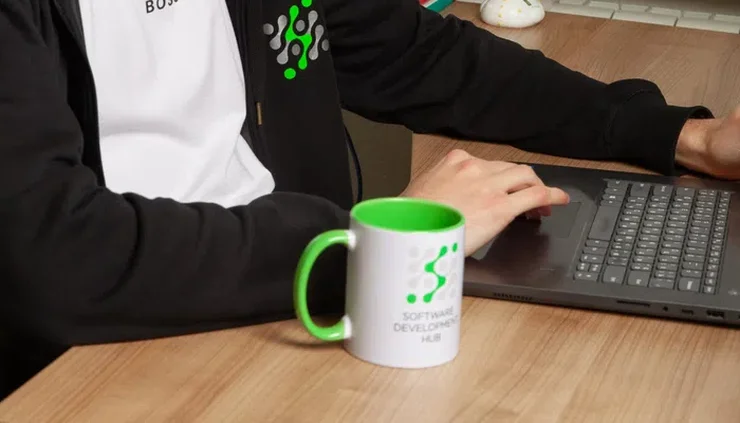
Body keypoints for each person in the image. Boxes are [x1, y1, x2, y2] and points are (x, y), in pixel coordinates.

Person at [0, 0, 738, 398]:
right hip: (96, 365)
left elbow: (416, 53)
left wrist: (682, 136)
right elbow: (51, 257)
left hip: (293, 305)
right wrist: (369, 247)